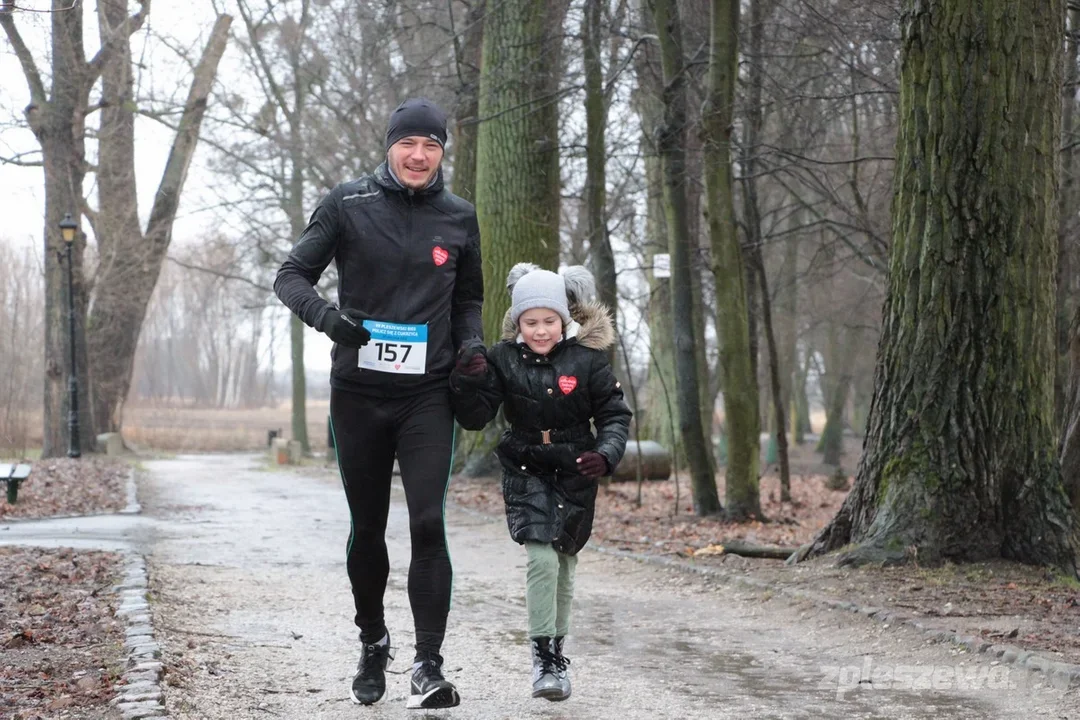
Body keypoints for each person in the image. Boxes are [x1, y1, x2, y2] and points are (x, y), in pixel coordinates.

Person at [273, 97, 483, 710]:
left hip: (428, 393)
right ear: (389, 146)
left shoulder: (459, 216)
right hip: (359, 392)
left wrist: (470, 347)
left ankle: (428, 663)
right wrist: (329, 320)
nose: (419, 156)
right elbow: (291, 276)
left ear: (443, 152)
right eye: (408, 144)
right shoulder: (347, 204)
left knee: (427, 521)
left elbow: (467, 300)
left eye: (432, 146)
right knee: (368, 528)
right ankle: (373, 641)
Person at [449, 264, 631, 701]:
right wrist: (466, 379)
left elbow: (614, 415)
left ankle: (557, 654)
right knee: (542, 559)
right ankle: (542, 659)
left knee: (565, 562)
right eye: (531, 322)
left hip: (575, 467)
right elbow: (476, 418)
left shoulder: (588, 361)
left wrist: (605, 455)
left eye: (549, 321)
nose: (541, 330)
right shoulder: (503, 358)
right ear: (518, 321)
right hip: (526, 465)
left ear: (564, 319)